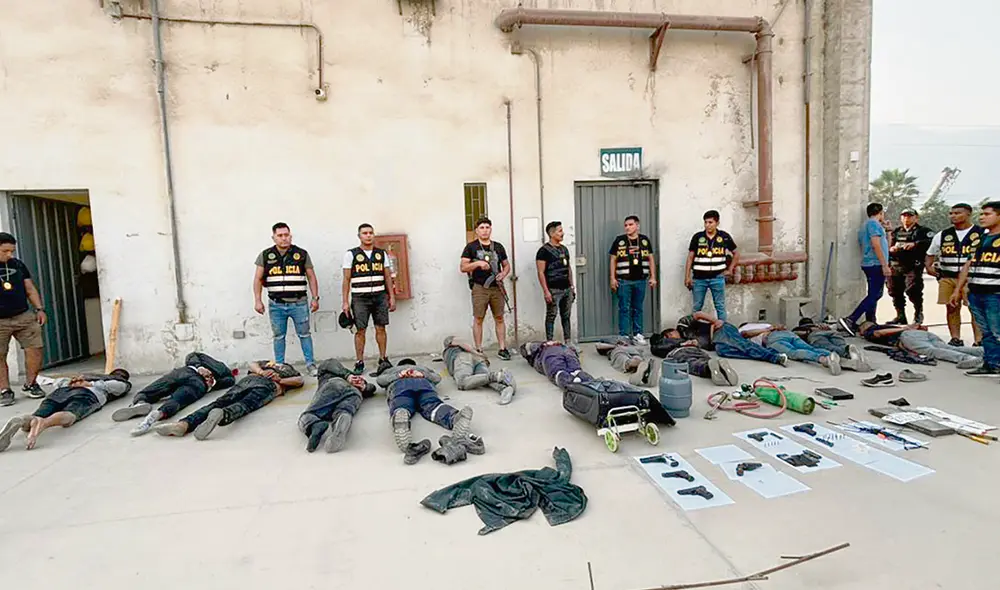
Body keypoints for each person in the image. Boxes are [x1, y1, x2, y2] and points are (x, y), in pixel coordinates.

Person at [518, 341, 676, 427]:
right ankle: (593, 384)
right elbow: (574, 348)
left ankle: (578, 387)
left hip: (552, 355)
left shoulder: (538, 351)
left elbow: (526, 348)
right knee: (576, 370)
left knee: (559, 374)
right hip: (566, 351)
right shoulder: (555, 347)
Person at [154, 361, 304, 440]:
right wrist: (269, 375)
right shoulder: (281, 368)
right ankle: (223, 414)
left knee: (218, 401)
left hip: (254, 380)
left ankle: (184, 424)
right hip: (266, 384)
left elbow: (298, 380)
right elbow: (299, 381)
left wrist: (270, 375)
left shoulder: (279, 368)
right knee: (246, 404)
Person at [0, 369, 131, 451]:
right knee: (70, 416)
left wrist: (72, 382)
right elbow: (119, 387)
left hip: (60, 393)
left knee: (38, 414)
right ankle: (43, 424)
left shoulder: (85, 376)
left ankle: (24, 421)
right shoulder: (115, 381)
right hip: (87, 395)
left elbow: (58, 382)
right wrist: (91, 384)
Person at [111, 352, 235, 436]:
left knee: (151, 390)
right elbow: (229, 381)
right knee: (178, 400)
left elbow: (191, 355)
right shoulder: (225, 371)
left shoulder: (203, 359)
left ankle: (140, 403)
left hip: (183, 372)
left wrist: (199, 367)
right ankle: (155, 416)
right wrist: (212, 383)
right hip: (199, 384)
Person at [253, 223, 319, 376]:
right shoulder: (265, 255)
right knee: (278, 336)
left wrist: (315, 298)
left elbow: (311, 277)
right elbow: (257, 279)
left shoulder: (301, 254)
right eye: (280, 235)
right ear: (274, 237)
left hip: (299, 303)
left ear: (291, 236)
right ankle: (280, 365)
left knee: (304, 334)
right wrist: (257, 300)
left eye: (286, 235)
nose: (284, 238)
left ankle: (310, 365)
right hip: (276, 304)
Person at [377, 359, 474, 454]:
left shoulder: (392, 370)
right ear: (414, 363)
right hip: (424, 384)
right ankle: (454, 418)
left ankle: (400, 418)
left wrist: (398, 375)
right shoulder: (423, 368)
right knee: (432, 405)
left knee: (402, 404)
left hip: (400, 385)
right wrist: (423, 374)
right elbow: (437, 378)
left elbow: (380, 380)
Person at [925, 203, 985, 346]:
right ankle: (955, 338)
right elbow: (930, 253)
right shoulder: (943, 234)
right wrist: (928, 266)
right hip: (947, 277)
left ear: (968, 214)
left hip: (971, 278)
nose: (953, 216)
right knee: (951, 308)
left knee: (974, 309)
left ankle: (979, 340)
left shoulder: (982, 233)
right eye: (951, 213)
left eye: (958, 213)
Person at [342, 223, 396, 376]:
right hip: (360, 298)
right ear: (359, 236)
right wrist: (345, 301)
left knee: (381, 328)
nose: (368, 235)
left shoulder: (381, 254)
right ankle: (359, 361)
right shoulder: (351, 254)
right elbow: (346, 279)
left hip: (379, 296)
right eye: (364, 233)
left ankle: (383, 358)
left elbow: (387, 276)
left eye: (370, 233)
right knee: (360, 330)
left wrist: (391, 297)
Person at [953, 201, 1000, 377]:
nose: (982, 217)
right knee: (986, 332)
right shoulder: (981, 239)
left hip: (995, 294)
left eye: (987, 214)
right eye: (981, 214)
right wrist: (959, 288)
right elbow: (968, 264)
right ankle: (992, 363)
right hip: (977, 292)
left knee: (997, 331)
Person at [0, 232, 47, 406]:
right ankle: (5, 390)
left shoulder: (18, 265)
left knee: (35, 348)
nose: (9, 255)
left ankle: (31, 384)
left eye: (11, 251)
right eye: (5, 251)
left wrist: (40, 309)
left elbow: (30, 288)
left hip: (23, 315)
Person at [460, 217, 512, 360]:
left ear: (491, 229)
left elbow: (506, 265)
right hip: (480, 288)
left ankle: (502, 348)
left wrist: (503, 273)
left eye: (487, 227)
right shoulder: (471, 247)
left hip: (497, 287)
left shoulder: (498, 247)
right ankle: (478, 349)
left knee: (500, 318)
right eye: (481, 228)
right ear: (477, 230)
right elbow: (463, 267)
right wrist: (478, 264)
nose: (484, 230)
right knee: (478, 318)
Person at [298, 359, 376, 453]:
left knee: (308, 414)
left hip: (336, 385)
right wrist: (363, 387)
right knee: (344, 411)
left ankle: (313, 425)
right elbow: (372, 388)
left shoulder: (334, 372)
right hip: (355, 394)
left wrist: (349, 376)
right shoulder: (354, 380)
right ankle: (340, 426)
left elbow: (328, 362)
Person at [839, 203, 891, 335]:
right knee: (875, 294)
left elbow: (886, 246)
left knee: (873, 294)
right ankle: (851, 319)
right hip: (875, 264)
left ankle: (870, 321)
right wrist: (884, 265)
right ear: (880, 212)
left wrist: (888, 231)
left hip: (871, 263)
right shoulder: (873, 225)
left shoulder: (868, 226)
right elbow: (875, 245)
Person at [608, 216, 657, 343]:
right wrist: (612, 278)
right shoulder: (620, 241)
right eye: (625, 225)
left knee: (638, 308)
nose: (627, 227)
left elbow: (651, 259)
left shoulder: (644, 240)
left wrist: (653, 277)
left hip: (641, 280)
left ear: (637, 226)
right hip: (624, 281)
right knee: (624, 308)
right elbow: (613, 259)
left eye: (630, 225)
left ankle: (638, 333)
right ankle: (623, 335)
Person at [675, 312, 787, 366]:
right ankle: (769, 354)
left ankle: (774, 357)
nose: (672, 338)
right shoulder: (684, 339)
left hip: (720, 330)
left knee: (742, 345)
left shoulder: (682, 324)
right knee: (722, 351)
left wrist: (715, 321)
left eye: (670, 336)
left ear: (670, 333)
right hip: (717, 342)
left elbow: (698, 314)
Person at [857, 321, 983, 369]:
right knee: (949, 348)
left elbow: (878, 333)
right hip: (918, 334)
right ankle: (983, 351)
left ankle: (968, 359)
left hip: (907, 335)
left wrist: (905, 328)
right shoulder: (889, 326)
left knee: (931, 351)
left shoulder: (870, 330)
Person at [685, 210, 739, 321]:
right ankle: (694, 331)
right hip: (699, 278)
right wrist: (687, 277)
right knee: (697, 307)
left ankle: (723, 332)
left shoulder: (724, 237)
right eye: (705, 222)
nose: (707, 225)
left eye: (710, 222)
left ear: (717, 223)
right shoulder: (697, 237)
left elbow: (736, 253)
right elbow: (690, 257)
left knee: (720, 306)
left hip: (717, 277)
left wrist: (730, 269)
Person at [887, 209, 934, 325]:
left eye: (910, 216)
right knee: (894, 291)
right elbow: (890, 245)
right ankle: (900, 315)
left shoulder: (923, 231)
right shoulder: (897, 231)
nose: (906, 218)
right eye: (904, 216)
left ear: (916, 218)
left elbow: (931, 242)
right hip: (896, 265)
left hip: (913, 266)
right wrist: (892, 249)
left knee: (913, 290)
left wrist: (915, 244)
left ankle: (918, 313)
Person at [737, 323, 843, 374]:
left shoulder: (745, 327)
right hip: (788, 334)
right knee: (809, 348)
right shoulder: (765, 323)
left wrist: (767, 329)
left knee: (793, 352)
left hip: (772, 338)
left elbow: (745, 334)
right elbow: (781, 326)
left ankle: (823, 359)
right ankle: (833, 356)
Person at [442, 336, 516, 405]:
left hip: (464, 358)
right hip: (477, 360)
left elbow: (462, 343)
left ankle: (498, 375)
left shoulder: (451, 344)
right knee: (482, 380)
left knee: (462, 381)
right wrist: (480, 356)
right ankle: (504, 388)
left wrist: (476, 353)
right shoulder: (451, 351)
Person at [650, 330, 739, 386]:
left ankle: (713, 369)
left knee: (693, 364)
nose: (678, 333)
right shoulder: (665, 340)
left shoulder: (684, 339)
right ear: (668, 334)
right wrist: (681, 344)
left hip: (689, 351)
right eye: (675, 332)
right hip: (685, 351)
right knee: (702, 361)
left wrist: (696, 343)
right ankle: (719, 369)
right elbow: (656, 348)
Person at [536, 221, 575, 342]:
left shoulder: (564, 249)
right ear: (552, 234)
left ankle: (568, 342)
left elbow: (568, 268)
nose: (562, 233)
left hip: (567, 289)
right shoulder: (543, 251)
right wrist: (546, 291)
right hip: (553, 289)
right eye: (560, 231)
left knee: (566, 316)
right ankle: (550, 342)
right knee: (551, 316)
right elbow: (540, 272)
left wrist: (572, 287)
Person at [790, 319, 871, 371]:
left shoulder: (800, 328)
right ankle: (850, 351)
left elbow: (795, 334)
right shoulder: (821, 324)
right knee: (840, 344)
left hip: (815, 334)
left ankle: (846, 353)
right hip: (832, 332)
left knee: (828, 347)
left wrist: (808, 331)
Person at [593, 337, 660, 387]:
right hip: (621, 349)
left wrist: (620, 345)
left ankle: (642, 367)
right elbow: (598, 345)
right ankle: (645, 369)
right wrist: (616, 345)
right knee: (635, 359)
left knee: (627, 362)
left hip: (623, 350)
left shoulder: (626, 340)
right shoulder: (606, 340)